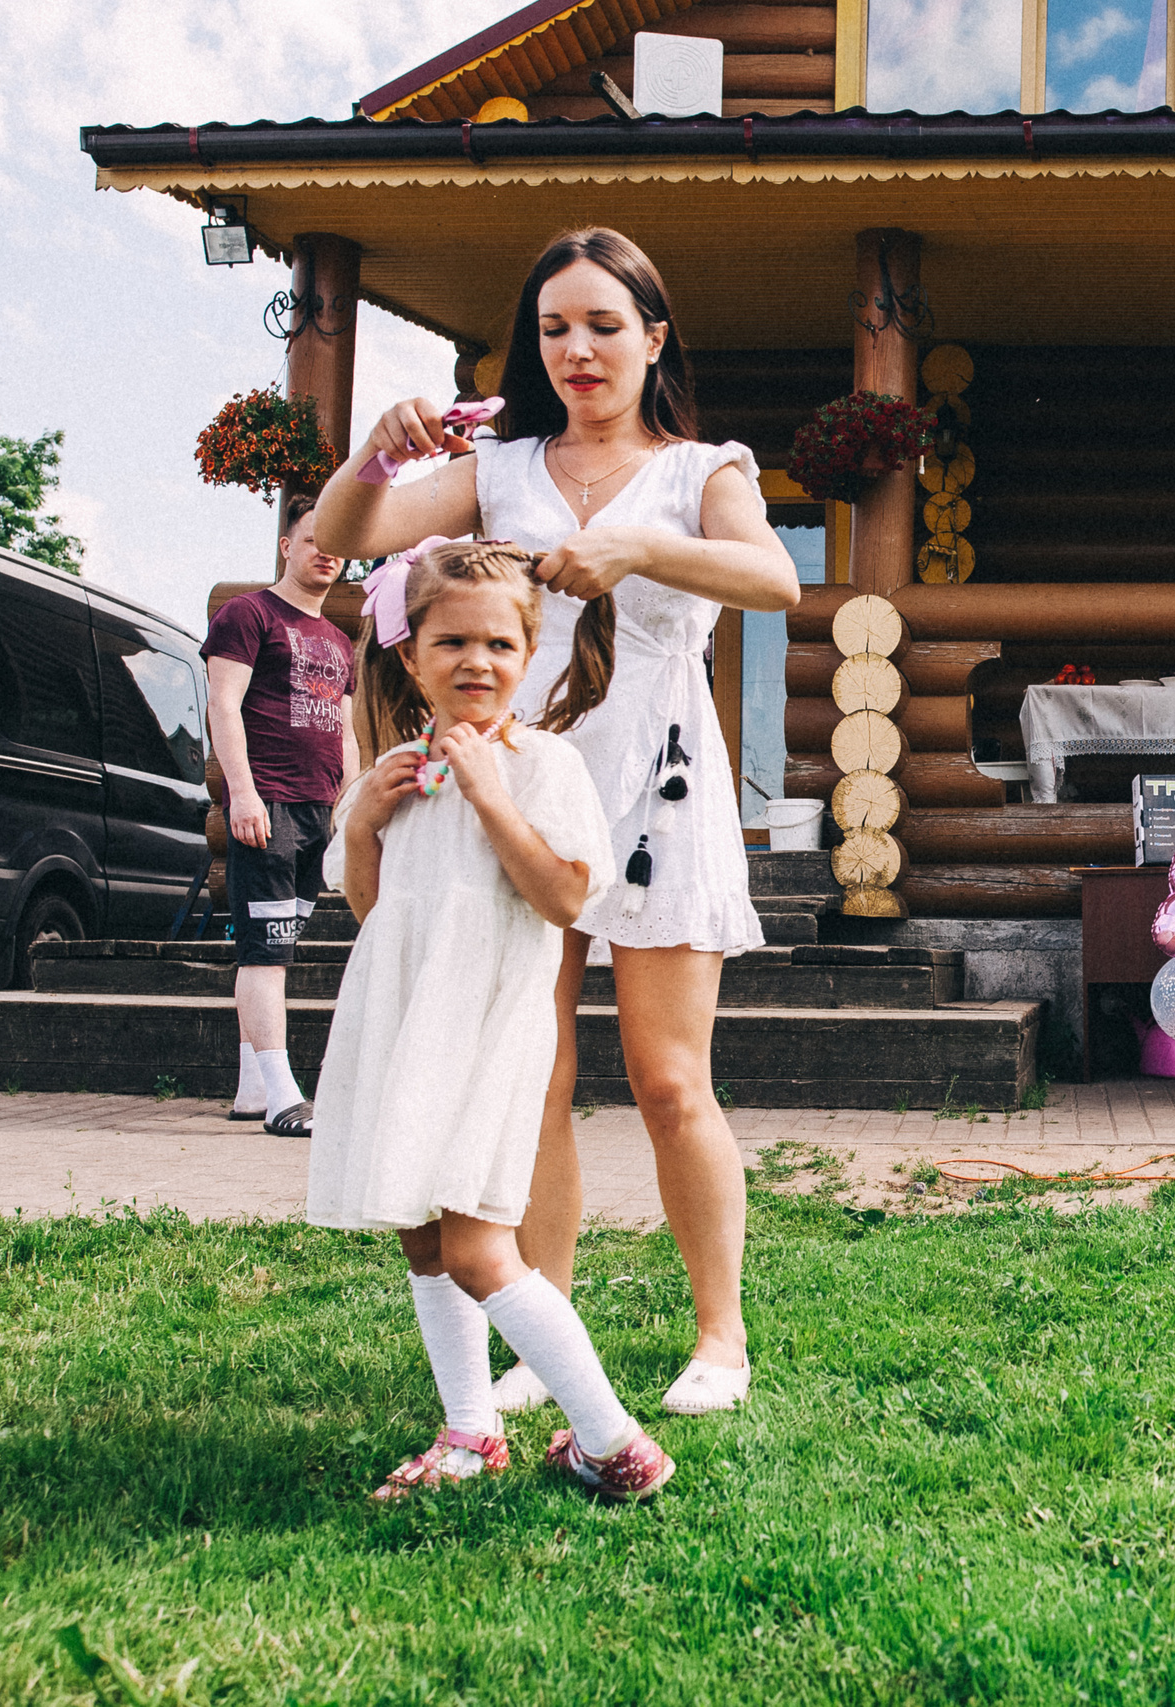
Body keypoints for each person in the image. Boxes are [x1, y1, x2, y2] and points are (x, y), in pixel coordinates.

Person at [314, 227, 800, 1420]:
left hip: (658, 790)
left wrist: (639, 545)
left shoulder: (702, 471)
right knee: (532, 1073)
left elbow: (778, 583)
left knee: (668, 1077)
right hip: (520, 788)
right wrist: (375, 450)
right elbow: (349, 536)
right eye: (553, 329)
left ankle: (720, 1337)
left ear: (652, 337)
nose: (576, 350)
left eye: (601, 324)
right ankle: (549, 1323)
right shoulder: (505, 465)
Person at [311, 538, 672, 1502]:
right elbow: (367, 905)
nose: (477, 661)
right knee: (424, 1237)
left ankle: (614, 1441)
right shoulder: (393, 772)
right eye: (452, 641)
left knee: (477, 1246)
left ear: (527, 652)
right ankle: (470, 1430)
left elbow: (562, 896)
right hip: (406, 1024)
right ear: (412, 653)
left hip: (489, 1034)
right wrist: (361, 824)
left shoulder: (544, 764)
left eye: (500, 644)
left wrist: (487, 791)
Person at [202, 492, 359, 1135]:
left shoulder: (339, 639)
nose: (327, 551)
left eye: (337, 544)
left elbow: (346, 734)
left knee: (280, 945)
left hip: (318, 809)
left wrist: (347, 805)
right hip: (266, 803)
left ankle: (249, 1091)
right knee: (264, 954)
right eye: (313, 537)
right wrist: (241, 792)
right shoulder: (249, 614)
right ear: (287, 546)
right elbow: (223, 705)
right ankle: (282, 1095)